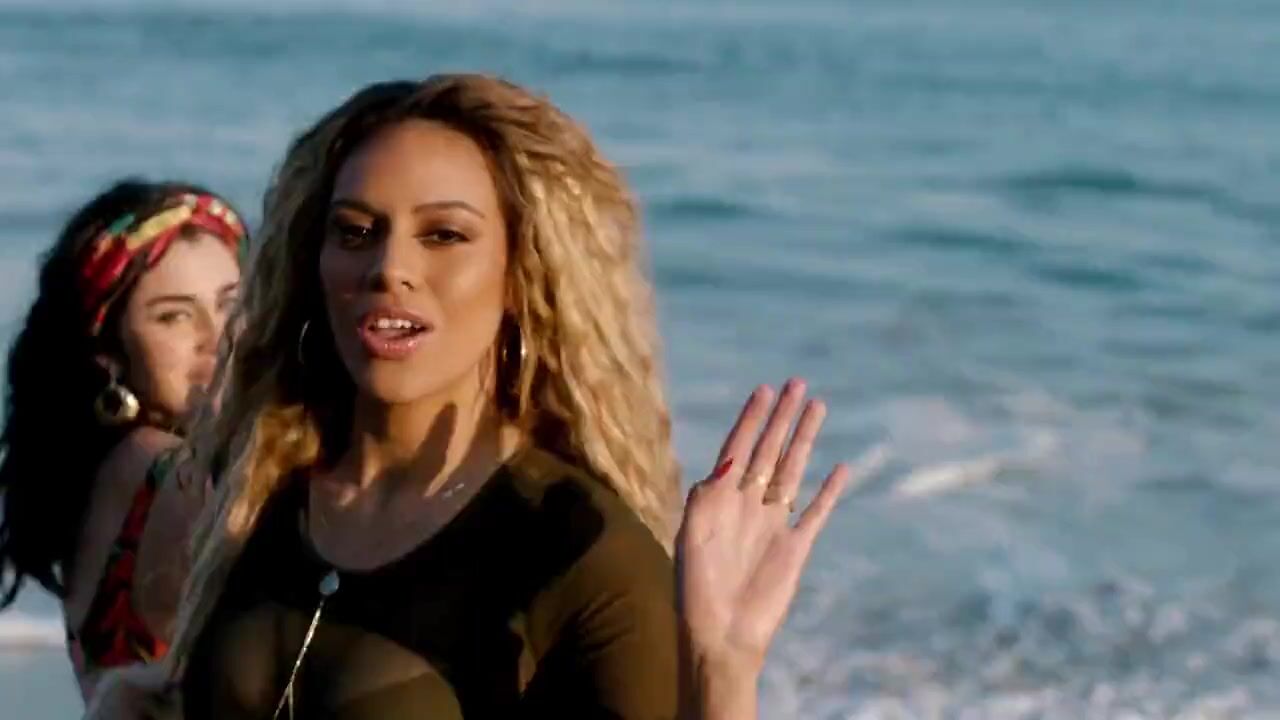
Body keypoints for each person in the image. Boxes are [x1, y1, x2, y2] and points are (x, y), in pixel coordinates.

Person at [86, 74, 849, 719]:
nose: (389, 266)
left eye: (444, 235)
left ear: (521, 277)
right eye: (355, 231)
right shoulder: (260, 488)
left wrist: (723, 670)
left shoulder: (579, 549)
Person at [0, 180, 247, 701]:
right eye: (174, 316)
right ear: (109, 352)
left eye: (230, 304)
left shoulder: (105, 471)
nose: (217, 337)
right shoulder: (170, 475)